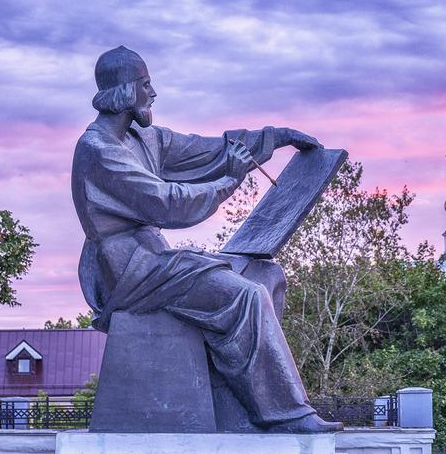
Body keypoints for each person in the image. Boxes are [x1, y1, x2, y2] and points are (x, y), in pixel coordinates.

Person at [71, 46, 342, 433]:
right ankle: (288, 415)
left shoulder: (144, 138)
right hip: (130, 273)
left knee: (265, 274)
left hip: (155, 261)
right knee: (244, 296)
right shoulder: (98, 150)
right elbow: (167, 204)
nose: (153, 93)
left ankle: (238, 406)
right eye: (146, 85)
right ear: (127, 91)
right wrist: (230, 180)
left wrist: (276, 137)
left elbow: (209, 149)